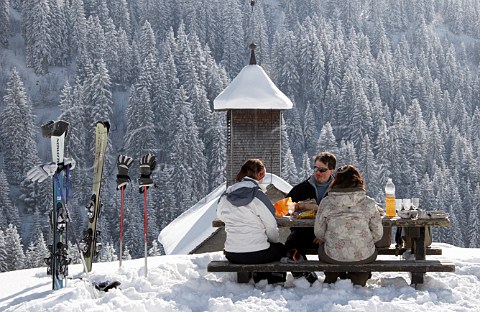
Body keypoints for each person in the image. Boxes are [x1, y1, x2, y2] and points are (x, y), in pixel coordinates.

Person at [217, 159, 286, 284]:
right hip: (257, 253)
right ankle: (270, 279)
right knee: (280, 249)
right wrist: (272, 242)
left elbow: (220, 216)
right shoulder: (257, 195)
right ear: (260, 175)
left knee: (262, 249)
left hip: (232, 253)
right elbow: (271, 225)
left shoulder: (227, 194)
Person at [314, 164, 383, 286]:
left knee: (324, 249)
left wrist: (332, 238)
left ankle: (332, 274)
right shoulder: (369, 203)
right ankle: (360, 276)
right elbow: (378, 233)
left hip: (333, 255)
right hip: (363, 255)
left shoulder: (326, 202)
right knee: (363, 257)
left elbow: (318, 232)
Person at [284, 152, 337, 283]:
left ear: (332, 170)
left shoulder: (339, 190)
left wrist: (323, 234)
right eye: (315, 168)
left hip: (332, 233)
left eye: (322, 170)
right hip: (305, 233)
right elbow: (285, 207)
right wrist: (296, 210)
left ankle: (338, 276)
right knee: (290, 244)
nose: (317, 172)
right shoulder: (302, 188)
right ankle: (303, 275)